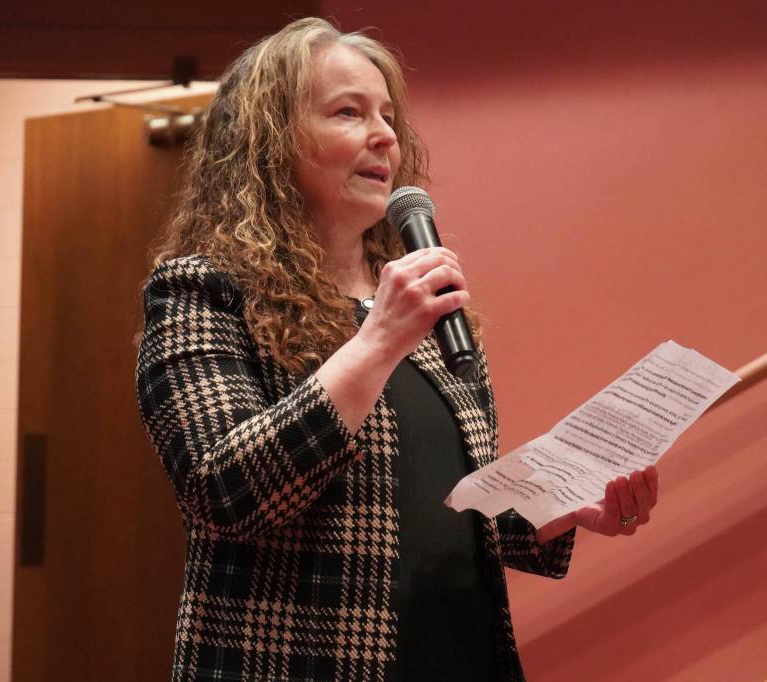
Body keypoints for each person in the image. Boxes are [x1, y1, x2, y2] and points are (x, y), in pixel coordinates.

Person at [135, 17, 658, 682]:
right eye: (348, 112)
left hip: (460, 656)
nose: (385, 134)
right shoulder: (201, 292)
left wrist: (565, 505)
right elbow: (227, 492)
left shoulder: (418, 303)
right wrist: (378, 340)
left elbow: (442, 506)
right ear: (267, 143)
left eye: (387, 114)